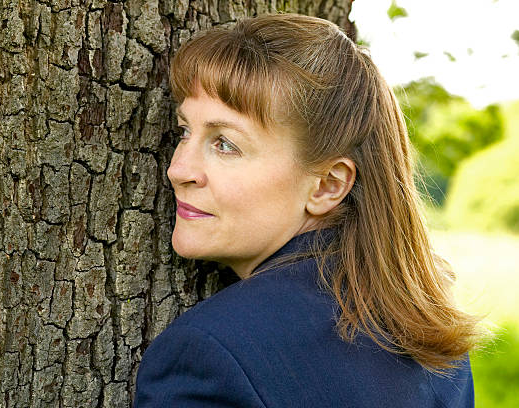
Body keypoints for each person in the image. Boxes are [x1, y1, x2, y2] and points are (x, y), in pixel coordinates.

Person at [133, 12, 481, 407]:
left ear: (328, 185)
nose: (178, 169)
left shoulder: (209, 354)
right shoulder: (431, 330)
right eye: (185, 132)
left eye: (225, 143)